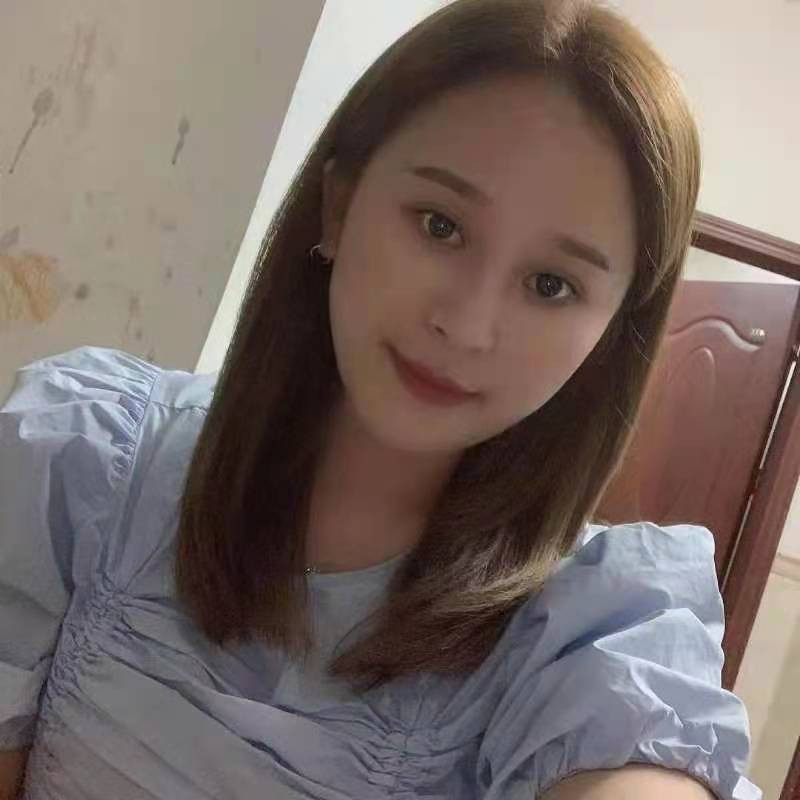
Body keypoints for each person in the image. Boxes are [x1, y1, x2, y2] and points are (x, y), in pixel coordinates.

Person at [0, 0, 762, 798]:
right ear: (340, 204)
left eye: (550, 284)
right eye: (440, 225)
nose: (467, 325)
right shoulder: (88, 465)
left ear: (609, 332)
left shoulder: (593, 633)